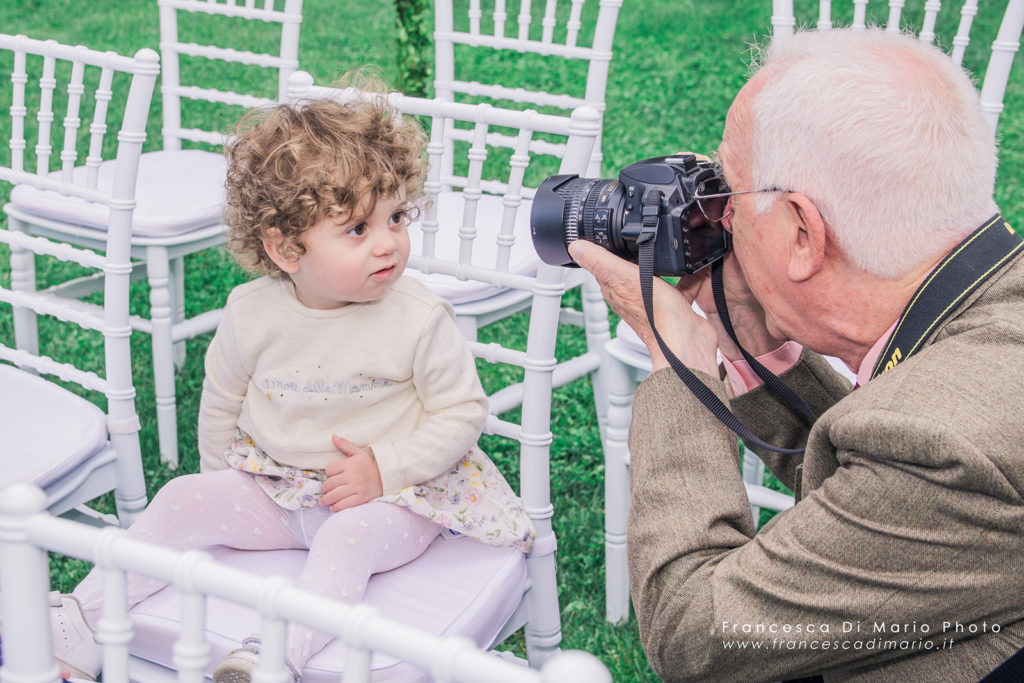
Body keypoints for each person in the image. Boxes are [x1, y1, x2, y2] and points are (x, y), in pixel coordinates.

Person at [569, 28, 1024, 682]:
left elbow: (696, 631)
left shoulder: (946, 451)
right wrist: (757, 345)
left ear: (803, 233)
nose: (718, 215)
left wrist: (681, 363)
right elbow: (875, 518)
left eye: (730, 189)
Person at [40, 92, 535, 681]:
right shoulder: (251, 313)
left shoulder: (417, 318)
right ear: (285, 247)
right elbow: (221, 402)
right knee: (179, 500)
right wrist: (218, 480)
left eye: (396, 217)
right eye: (357, 228)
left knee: (345, 540)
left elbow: (461, 413)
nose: (388, 242)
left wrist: (387, 467)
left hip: (393, 500)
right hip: (277, 489)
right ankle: (79, 622)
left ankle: (273, 657)